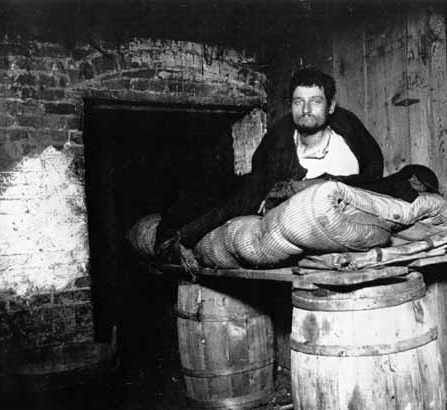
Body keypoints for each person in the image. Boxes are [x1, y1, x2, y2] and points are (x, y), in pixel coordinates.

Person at [154, 66, 385, 263]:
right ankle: (173, 232)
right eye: (298, 102)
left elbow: (373, 171)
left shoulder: (347, 137)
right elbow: (256, 181)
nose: (306, 110)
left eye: (315, 101)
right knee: (217, 192)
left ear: (331, 106)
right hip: (269, 185)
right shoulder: (281, 138)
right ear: (290, 105)